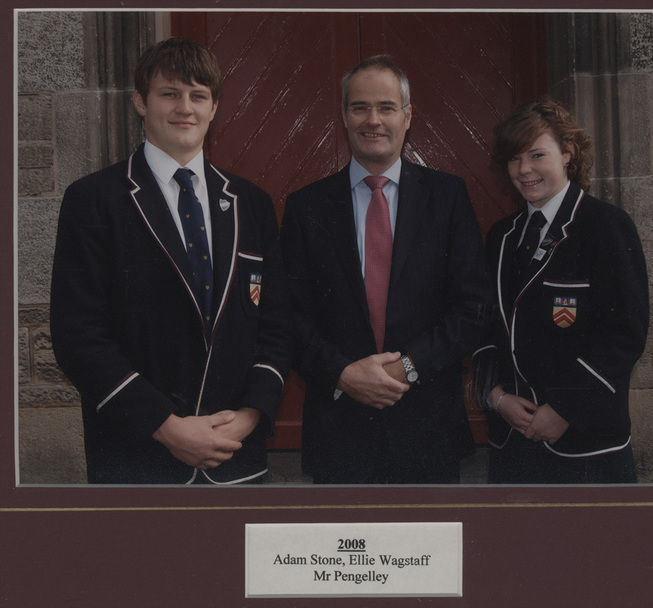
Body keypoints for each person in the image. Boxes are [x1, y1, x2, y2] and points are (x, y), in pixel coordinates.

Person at [50, 38, 290, 484]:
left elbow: (276, 325)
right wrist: (166, 427)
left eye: (198, 95)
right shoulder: (94, 200)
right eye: (169, 93)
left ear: (214, 107)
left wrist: (250, 415)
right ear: (140, 102)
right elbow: (77, 335)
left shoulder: (252, 203)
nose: (185, 108)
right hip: (139, 462)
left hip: (236, 459)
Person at [280, 55, 492, 484]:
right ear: (344, 116)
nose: (372, 120)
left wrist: (408, 367)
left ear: (407, 116)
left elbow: (473, 308)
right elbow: (288, 315)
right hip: (339, 432)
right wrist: (343, 373)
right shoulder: (306, 207)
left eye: (386, 107)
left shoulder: (447, 196)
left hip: (428, 431)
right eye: (360, 107)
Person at [473, 98, 649, 484]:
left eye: (537, 154)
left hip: (585, 445)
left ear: (567, 153)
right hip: (512, 443)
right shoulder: (501, 237)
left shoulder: (606, 226)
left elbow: (626, 334)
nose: (524, 169)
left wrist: (566, 408)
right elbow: (483, 328)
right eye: (514, 158)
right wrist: (496, 397)